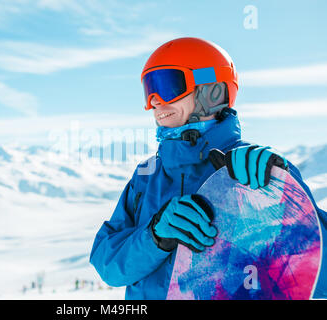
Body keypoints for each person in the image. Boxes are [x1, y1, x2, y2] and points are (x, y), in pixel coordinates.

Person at [89, 37, 327, 299]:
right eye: (149, 89)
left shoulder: (255, 170)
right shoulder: (147, 176)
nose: (155, 102)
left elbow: (315, 274)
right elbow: (107, 266)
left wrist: (283, 200)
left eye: (166, 85)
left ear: (212, 90)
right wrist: (154, 238)